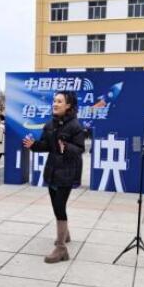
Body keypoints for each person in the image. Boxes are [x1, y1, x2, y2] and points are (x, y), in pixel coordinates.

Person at [23, 91, 85, 263]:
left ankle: (61, 248)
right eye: (54, 101)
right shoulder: (50, 124)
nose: (55, 104)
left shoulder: (75, 126)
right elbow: (46, 145)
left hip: (67, 172)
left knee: (59, 207)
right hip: (52, 171)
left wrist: (67, 147)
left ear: (68, 105)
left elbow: (80, 149)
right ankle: (65, 234)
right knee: (57, 206)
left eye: (59, 101)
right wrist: (34, 145)